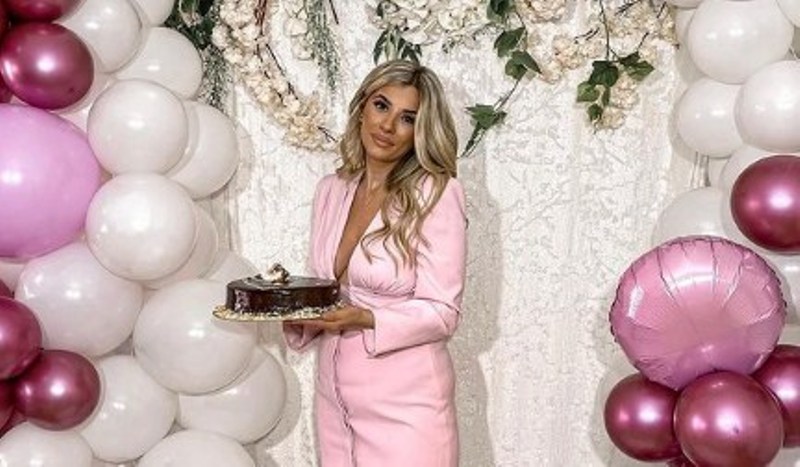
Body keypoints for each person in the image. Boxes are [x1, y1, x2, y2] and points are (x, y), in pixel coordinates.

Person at [283, 59, 467, 467]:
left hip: (408, 411)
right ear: (362, 107)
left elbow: (443, 312)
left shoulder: (436, 193)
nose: (387, 126)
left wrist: (365, 318)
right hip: (335, 405)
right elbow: (327, 290)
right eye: (381, 106)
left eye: (407, 118)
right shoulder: (332, 189)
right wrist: (292, 310)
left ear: (420, 131)